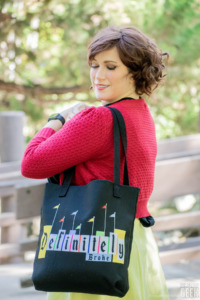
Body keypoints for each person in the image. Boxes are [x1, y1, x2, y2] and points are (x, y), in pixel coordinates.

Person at [21, 26, 169, 300]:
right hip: (134, 241)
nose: (98, 75)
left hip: (91, 245)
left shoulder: (98, 119)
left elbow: (31, 163)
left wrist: (58, 119)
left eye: (110, 66)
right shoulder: (140, 112)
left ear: (135, 71)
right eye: (94, 65)